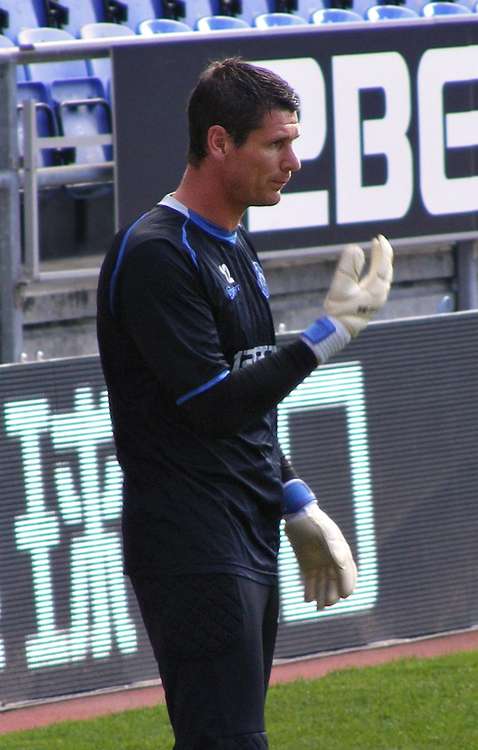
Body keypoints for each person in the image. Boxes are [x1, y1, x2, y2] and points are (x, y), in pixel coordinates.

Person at [96, 57, 393, 750]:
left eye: (294, 141)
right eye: (276, 143)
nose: (293, 160)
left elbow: (247, 395)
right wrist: (326, 337)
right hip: (191, 542)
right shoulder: (157, 255)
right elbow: (212, 404)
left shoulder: (232, 244)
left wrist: (292, 497)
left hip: (243, 528)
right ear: (220, 142)